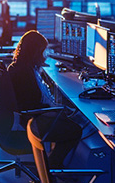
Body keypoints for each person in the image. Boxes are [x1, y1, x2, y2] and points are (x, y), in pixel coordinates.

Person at [8, 31, 80, 169]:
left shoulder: (20, 66)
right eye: (42, 51)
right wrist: (56, 110)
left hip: (30, 116)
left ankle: (53, 166)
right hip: (32, 121)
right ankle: (53, 167)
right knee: (75, 130)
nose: (44, 55)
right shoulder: (25, 73)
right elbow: (32, 104)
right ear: (34, 52)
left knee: (70, 116)